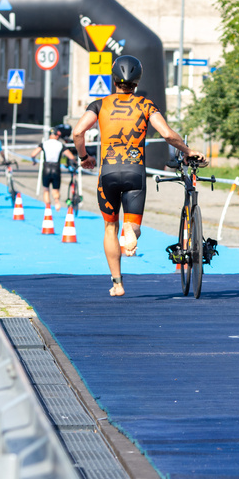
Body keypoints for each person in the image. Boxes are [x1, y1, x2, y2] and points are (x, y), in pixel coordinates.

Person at [72, 55, 207, 298]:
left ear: (114, 79)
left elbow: (78, 131)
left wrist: (84, 157)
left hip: (108, 173)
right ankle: (132, 233)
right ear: (137, 81)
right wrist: (188, 151)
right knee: (131, 226)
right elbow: (167, 134)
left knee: (109, 227)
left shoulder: (99, 105)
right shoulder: (145, 105)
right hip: (135, 171)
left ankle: (117, 284)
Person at [31, 126, 76, 210]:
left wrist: (34, 161)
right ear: (56, 135)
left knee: (46, 189)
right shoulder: (60, 145)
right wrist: (75, 162)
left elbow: (33, 154)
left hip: (46, 167)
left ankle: (47, 207)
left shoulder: (44, 143)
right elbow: (71, 156)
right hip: (56, 168)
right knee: (56, 189)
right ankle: (57, 202)